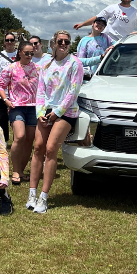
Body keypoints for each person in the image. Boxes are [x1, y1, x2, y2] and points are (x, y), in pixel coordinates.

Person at [29, 30, 84, 214]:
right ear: (53, 43)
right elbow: (40, 90)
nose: (63, 44)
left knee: (51, 149)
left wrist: (57, 112)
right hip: (46, 110)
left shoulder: (75, 63)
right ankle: (32, 193)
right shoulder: (46, 64)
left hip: (66, 112)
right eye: (60, 41)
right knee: (38, 148)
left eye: (66, 41)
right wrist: (40, 112)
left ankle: (44, 197)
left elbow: (73, 91)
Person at [0, 40, 39, 185]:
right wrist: (6, 100)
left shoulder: (37, 68)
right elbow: (1, 85)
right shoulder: (11, 68)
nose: (29, 56)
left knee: (29, 140)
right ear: (20, 52)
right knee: (20, 136)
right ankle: (15, 170)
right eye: (26, 53)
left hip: (33, 107)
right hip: (17, 107)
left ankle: (21, 170)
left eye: (31, 53)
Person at [73, 0, 137, 43]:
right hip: (107, 40)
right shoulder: (112, 8)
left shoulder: (136, 13)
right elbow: (97, 18)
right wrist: (82, 24)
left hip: (123, 42)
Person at [0, 33, 18, 142]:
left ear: (15, 42)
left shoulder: (20, 54)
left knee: (16, 118)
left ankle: (17, 140)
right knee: (3, 117)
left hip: (18, 92)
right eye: (7, 40)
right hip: (2, 92)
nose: (9, 42)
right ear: (4, 42)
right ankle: (4, 140)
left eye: (12, 40)